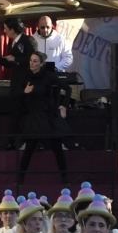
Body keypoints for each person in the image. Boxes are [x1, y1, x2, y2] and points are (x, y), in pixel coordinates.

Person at [11, 51, 71, 188]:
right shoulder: (26, 77)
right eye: (31, 60)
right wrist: (24, 92)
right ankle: (20, 178)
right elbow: (15, 96)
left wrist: (64, 106)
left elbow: (67, 89)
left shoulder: (48, 76)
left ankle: (65, 177)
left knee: (57, 147)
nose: (32, 63)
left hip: (48, 115)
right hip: (34, 116)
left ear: (42, 64)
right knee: (29, 148)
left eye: (35, 61)